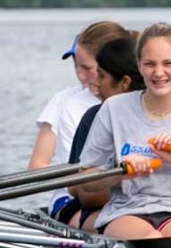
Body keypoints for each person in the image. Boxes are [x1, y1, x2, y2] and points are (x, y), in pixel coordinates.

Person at [75, 22, 171, 240]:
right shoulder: (113, 108)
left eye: (168, 63)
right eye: (150, 64)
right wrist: (121, 171)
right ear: (139, 66)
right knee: (151, 241)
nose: (159, 73)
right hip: (127, 212)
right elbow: (86, 180)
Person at [49, 33, 144, 230]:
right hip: (103, 210)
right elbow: (81, 191)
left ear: (124, 83)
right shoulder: (94, 117)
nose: (96, 83)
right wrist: (127, 181)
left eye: (101, 76)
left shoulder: (166, 114)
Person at [28, 20, 127, 171]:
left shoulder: (141, 98)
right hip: (73, 190)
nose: (80, 76)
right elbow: (36, 166)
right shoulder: (68, 103)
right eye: (76, 65)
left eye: (87, 68)